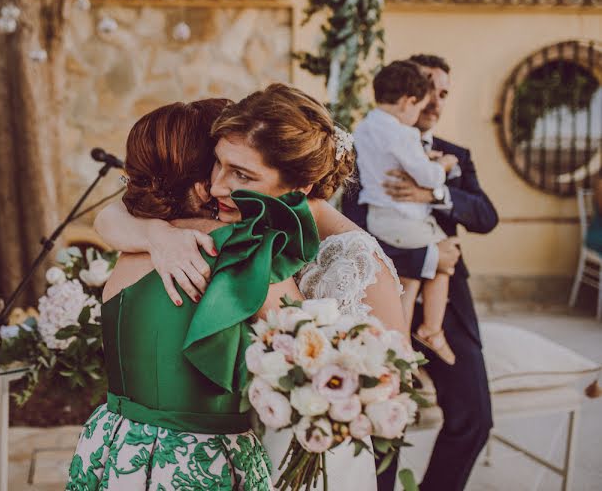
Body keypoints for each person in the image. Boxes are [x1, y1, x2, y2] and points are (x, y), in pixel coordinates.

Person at [95, 84, 409, 490]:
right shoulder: (242, 218)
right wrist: (155, 233)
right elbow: (114, 212)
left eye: (242, 174)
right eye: (218, 164)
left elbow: (390, 386)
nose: (218, 186)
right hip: (244, 443)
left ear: (301, 187)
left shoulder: (357, 260)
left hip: (318, 454)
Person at [66, 99, 317, 490]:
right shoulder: (243, 251)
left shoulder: (138, 243)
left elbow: (110, 216)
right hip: (198, 461)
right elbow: (312, 355)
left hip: (115, 445)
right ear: (204, 174)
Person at [343, 54, 498, 491]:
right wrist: (428, 259)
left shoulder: (456, 156)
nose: (435, 99)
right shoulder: (365, 149)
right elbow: (354, 233)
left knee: (475, 417)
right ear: (410, 92)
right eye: (429, 87)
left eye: (444, 93)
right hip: (384, 294)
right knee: (382, 421)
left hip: (446, 308)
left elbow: (486, 217)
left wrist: (436, 191)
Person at [354, 60, 459, 365]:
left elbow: (388, 162)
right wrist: (443, 165)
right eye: (420, 106)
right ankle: (431, 329)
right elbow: (426, 177)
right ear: (408, 102)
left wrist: (423, 159)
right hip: (405, 219)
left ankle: (397, 347)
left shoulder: (365, 128)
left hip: (379, 218)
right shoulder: (403, 133)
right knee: (447, 258)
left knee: (410, 283)